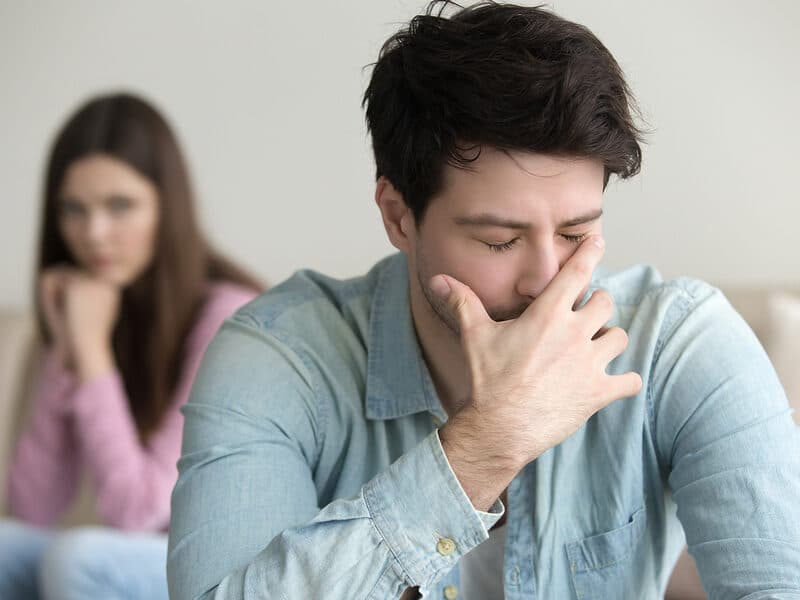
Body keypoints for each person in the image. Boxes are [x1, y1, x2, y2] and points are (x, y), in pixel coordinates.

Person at [167, 2, 800, 599]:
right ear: (398, 216)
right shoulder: (280, 356)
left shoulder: (678, 344)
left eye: (577, 234)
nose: (548, 279)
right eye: (500, 241)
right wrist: (486, 444)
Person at [0, 93, 261, 600]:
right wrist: (67, 348)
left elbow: (139, 512)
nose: (94, 233)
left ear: (167, 207)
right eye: (74, 209)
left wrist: (92, 351)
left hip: (242, 566)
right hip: (156, 562)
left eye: (120, 206)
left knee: (79, 562)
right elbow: (33, 506)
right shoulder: (104, 309)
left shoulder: (228, 316)